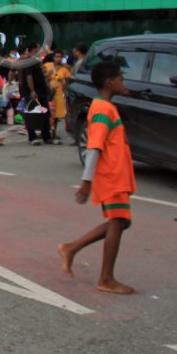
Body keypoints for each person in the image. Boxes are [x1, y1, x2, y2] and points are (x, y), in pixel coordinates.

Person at [58, 61, 136, 294]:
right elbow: (94, 147)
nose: (123, 82)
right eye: (120, 78)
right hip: (111, 175)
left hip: (115, 174)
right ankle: (106, 278)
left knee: (121, 221)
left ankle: (71, 248)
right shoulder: (103, 109)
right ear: (109, 82)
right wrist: (86, 181)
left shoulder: (104, 107)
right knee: (119, 221)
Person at [21, 43, 60, 145]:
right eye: (38, 49)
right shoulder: (29, 61)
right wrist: (32, 91)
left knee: (46, 114)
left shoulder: (37, 60)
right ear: (33, 49)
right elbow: (29, 77)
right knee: (32, 114)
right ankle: (32, 138)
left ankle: (47, 137)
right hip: (33, 93)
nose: (40, 50)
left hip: (42, 92)